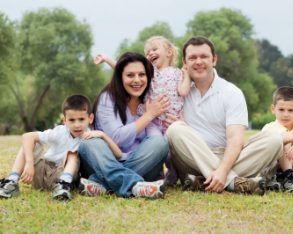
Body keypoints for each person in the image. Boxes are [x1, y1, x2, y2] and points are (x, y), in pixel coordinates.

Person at [165, 36, 293, 195]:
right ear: (185, 63)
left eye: (204, 56)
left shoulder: (231, 93)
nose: (198, 61)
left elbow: (236, 140)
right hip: (191, 159)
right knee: (175, 130)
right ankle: (234, 182)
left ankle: (204, 180)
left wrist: (222, 170)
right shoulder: (178, 92)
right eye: (192, 57)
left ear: (214, 59)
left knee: (274, 139)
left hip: (231, 159)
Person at [94, 36, 191, 186]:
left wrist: (187, 74)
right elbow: (123, 69)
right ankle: (120, 181)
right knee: (89, 145)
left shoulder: (177, 73)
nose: (137, 79)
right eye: (148, 52)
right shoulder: (151, 73)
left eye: (154, 49)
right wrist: (107, 59)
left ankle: (105, 182)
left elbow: (184, 91)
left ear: (169, 52)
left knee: (165, 147)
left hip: (168, 120)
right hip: (153, 121)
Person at [78, 52, 169, 199]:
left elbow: (155, 140)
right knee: (89, 143)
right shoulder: (107, 98)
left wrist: (150, 115)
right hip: (105, 161)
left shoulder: (148, 100)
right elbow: (117, 138)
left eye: (142, 74)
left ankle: (101, 184)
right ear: (120, 77)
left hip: (141, 163)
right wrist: (148, 116)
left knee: (160, 143)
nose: (137, 80)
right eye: (130, 75)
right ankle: (135, 185)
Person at [0, 95, 121, 200]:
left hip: (64, 175)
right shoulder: (60, 131)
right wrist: (29, 163)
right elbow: (27, 136)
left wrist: (103, 135)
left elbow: (118, 155)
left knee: (73, 155)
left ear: (90, 118)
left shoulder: (91, 137)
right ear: (65, 120)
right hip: (42, 172)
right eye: (72, 120)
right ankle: (11, 182)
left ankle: (63, 187)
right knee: (31, 143)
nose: (77, 125)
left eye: (81, 119)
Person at [262, 86, 293, 192]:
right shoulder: (269, 127)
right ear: (273, 109)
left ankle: (289, 178)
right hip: (272, 173)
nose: (285, 114)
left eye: (290, 110)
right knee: (282, 140)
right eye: (281, 110)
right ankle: (282, 177)